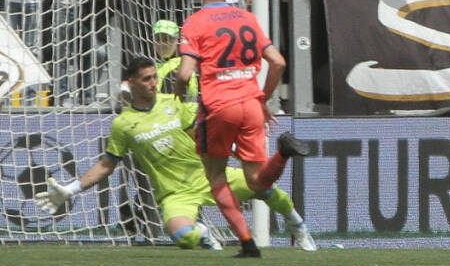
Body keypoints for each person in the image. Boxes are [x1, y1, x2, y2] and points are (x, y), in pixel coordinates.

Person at [35, 57, 316, 251]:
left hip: (208, 176)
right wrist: (69, 190)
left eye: (154, 77)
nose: (152, 83)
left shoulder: (175, 103)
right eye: (145, 79)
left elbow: (202, 135)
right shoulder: (123, 123)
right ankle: (204, 235)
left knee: (263, 186)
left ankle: (298, 227)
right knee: (183, 237)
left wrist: (235, 151)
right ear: (130, 82)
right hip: (174, 194)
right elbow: (107, 165)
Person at [175, 0, 310, 258]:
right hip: (250, 104)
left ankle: (248, 243)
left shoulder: (194, 22)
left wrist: (176, 94)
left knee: (216, 177)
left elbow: (185, 74)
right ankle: (283, 153)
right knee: (257, 181)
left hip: (219, 106)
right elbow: (277, 62)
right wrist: (263, 100)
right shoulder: (248, 18)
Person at [151, 19, 198, 96]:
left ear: (177, 40)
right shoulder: (152, 66)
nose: (162, 43)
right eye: (158, 39)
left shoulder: (182, 64)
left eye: (166, 39)